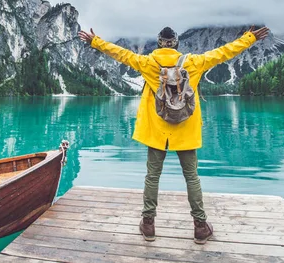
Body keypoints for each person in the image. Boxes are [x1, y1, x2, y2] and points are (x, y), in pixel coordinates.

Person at [78, 25, 270, 244]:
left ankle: (148, 225)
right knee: (192, 177)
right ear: (177, 43)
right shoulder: (194, 62)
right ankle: (200, 227)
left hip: (157, 131)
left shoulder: (147, 62)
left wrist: (95, 41)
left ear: (159, 43)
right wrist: (249, 37)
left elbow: (119, 53)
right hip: (185, 130)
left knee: (152, 176)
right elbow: (225, 51)